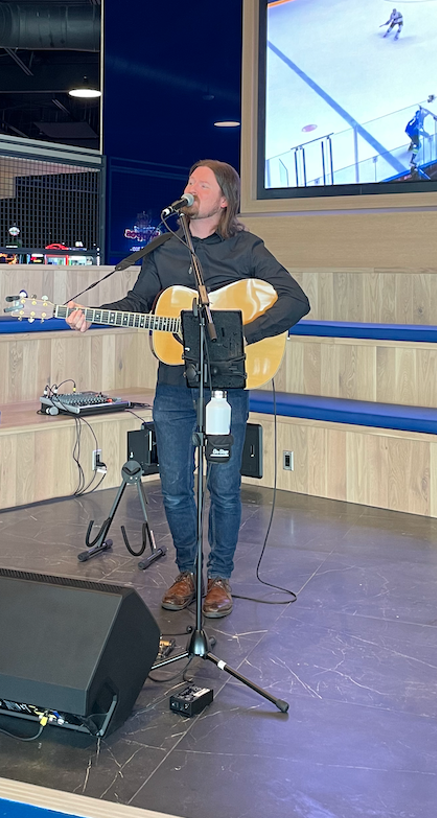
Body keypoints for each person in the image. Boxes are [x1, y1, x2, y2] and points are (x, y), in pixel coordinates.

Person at [66, 161, 309, 620]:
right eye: (190, 181)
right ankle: (187, 572)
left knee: (223, 487)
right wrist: (92, 312)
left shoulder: (246, 247)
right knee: (175, 487)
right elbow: (139, 303)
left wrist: (241, 337)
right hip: (174, 384)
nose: (191, 188)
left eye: (203, 184)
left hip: (225, 386)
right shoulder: (164, 249)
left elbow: (297, 299)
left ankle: (219, 576)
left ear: (223, 200)